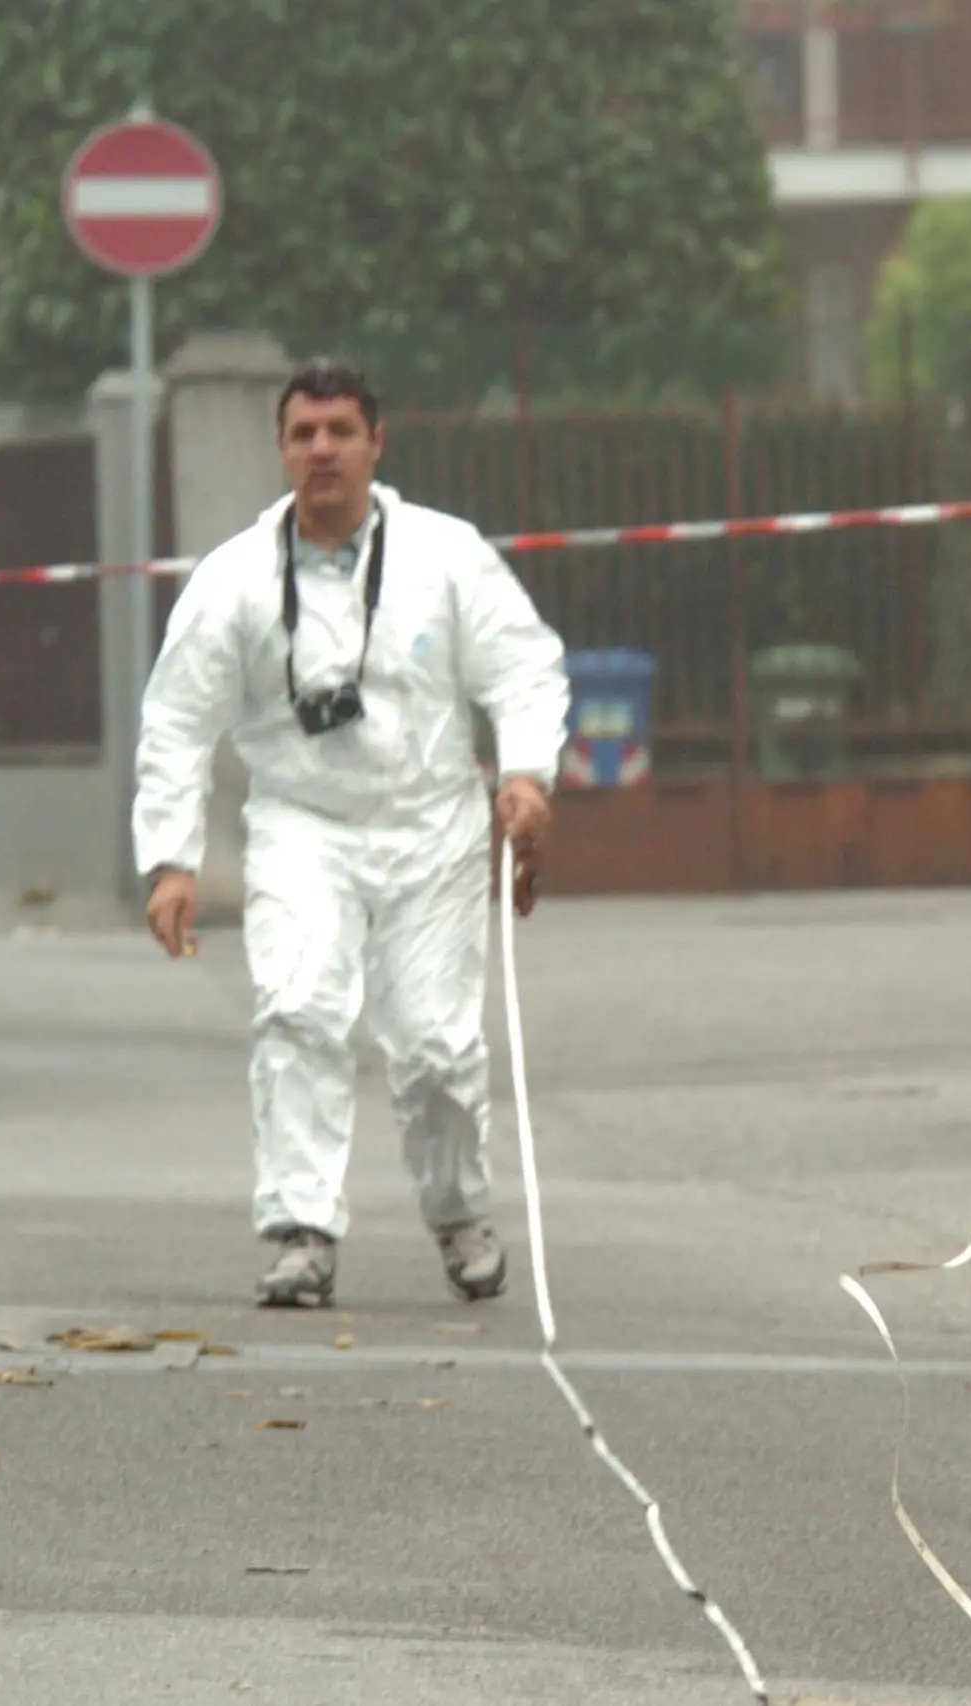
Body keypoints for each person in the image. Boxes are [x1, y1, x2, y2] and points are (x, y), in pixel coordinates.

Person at [133, 358, 571, 1310]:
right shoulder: (235, 578)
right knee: (296, 1011)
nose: (322, 449)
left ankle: (459, 1215)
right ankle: (301, 1232)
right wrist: (172, 858)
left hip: (435, 827)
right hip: (302, 829)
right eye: (303, 434)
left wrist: (528, 776)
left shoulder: (446, 555)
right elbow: (177, 718)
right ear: (282, 449)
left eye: (340, 431)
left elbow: (523, 668)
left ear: (377, 441)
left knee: (436, 1044)